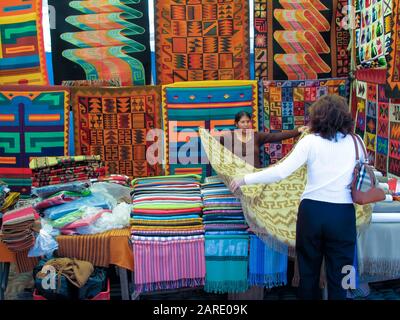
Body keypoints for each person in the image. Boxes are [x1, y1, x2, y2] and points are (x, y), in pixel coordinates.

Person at [230, 95, 361, 300]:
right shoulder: (356, 141)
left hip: (312, 214)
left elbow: (281, 172)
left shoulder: (310, 141)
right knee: (341, 272)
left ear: (317, 117)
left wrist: (244, 179)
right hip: (342, 215)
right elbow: (363, 175)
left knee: (308, 271)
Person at [219, 111, 307, 168]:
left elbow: (276, 136)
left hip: (255, 176)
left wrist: (297, 130)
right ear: (236, 124)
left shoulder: (256, 136)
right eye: (242, 122)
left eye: (248, 121)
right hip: (237, 177)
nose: (246, 124)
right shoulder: (229, 137)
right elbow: (211, 142)